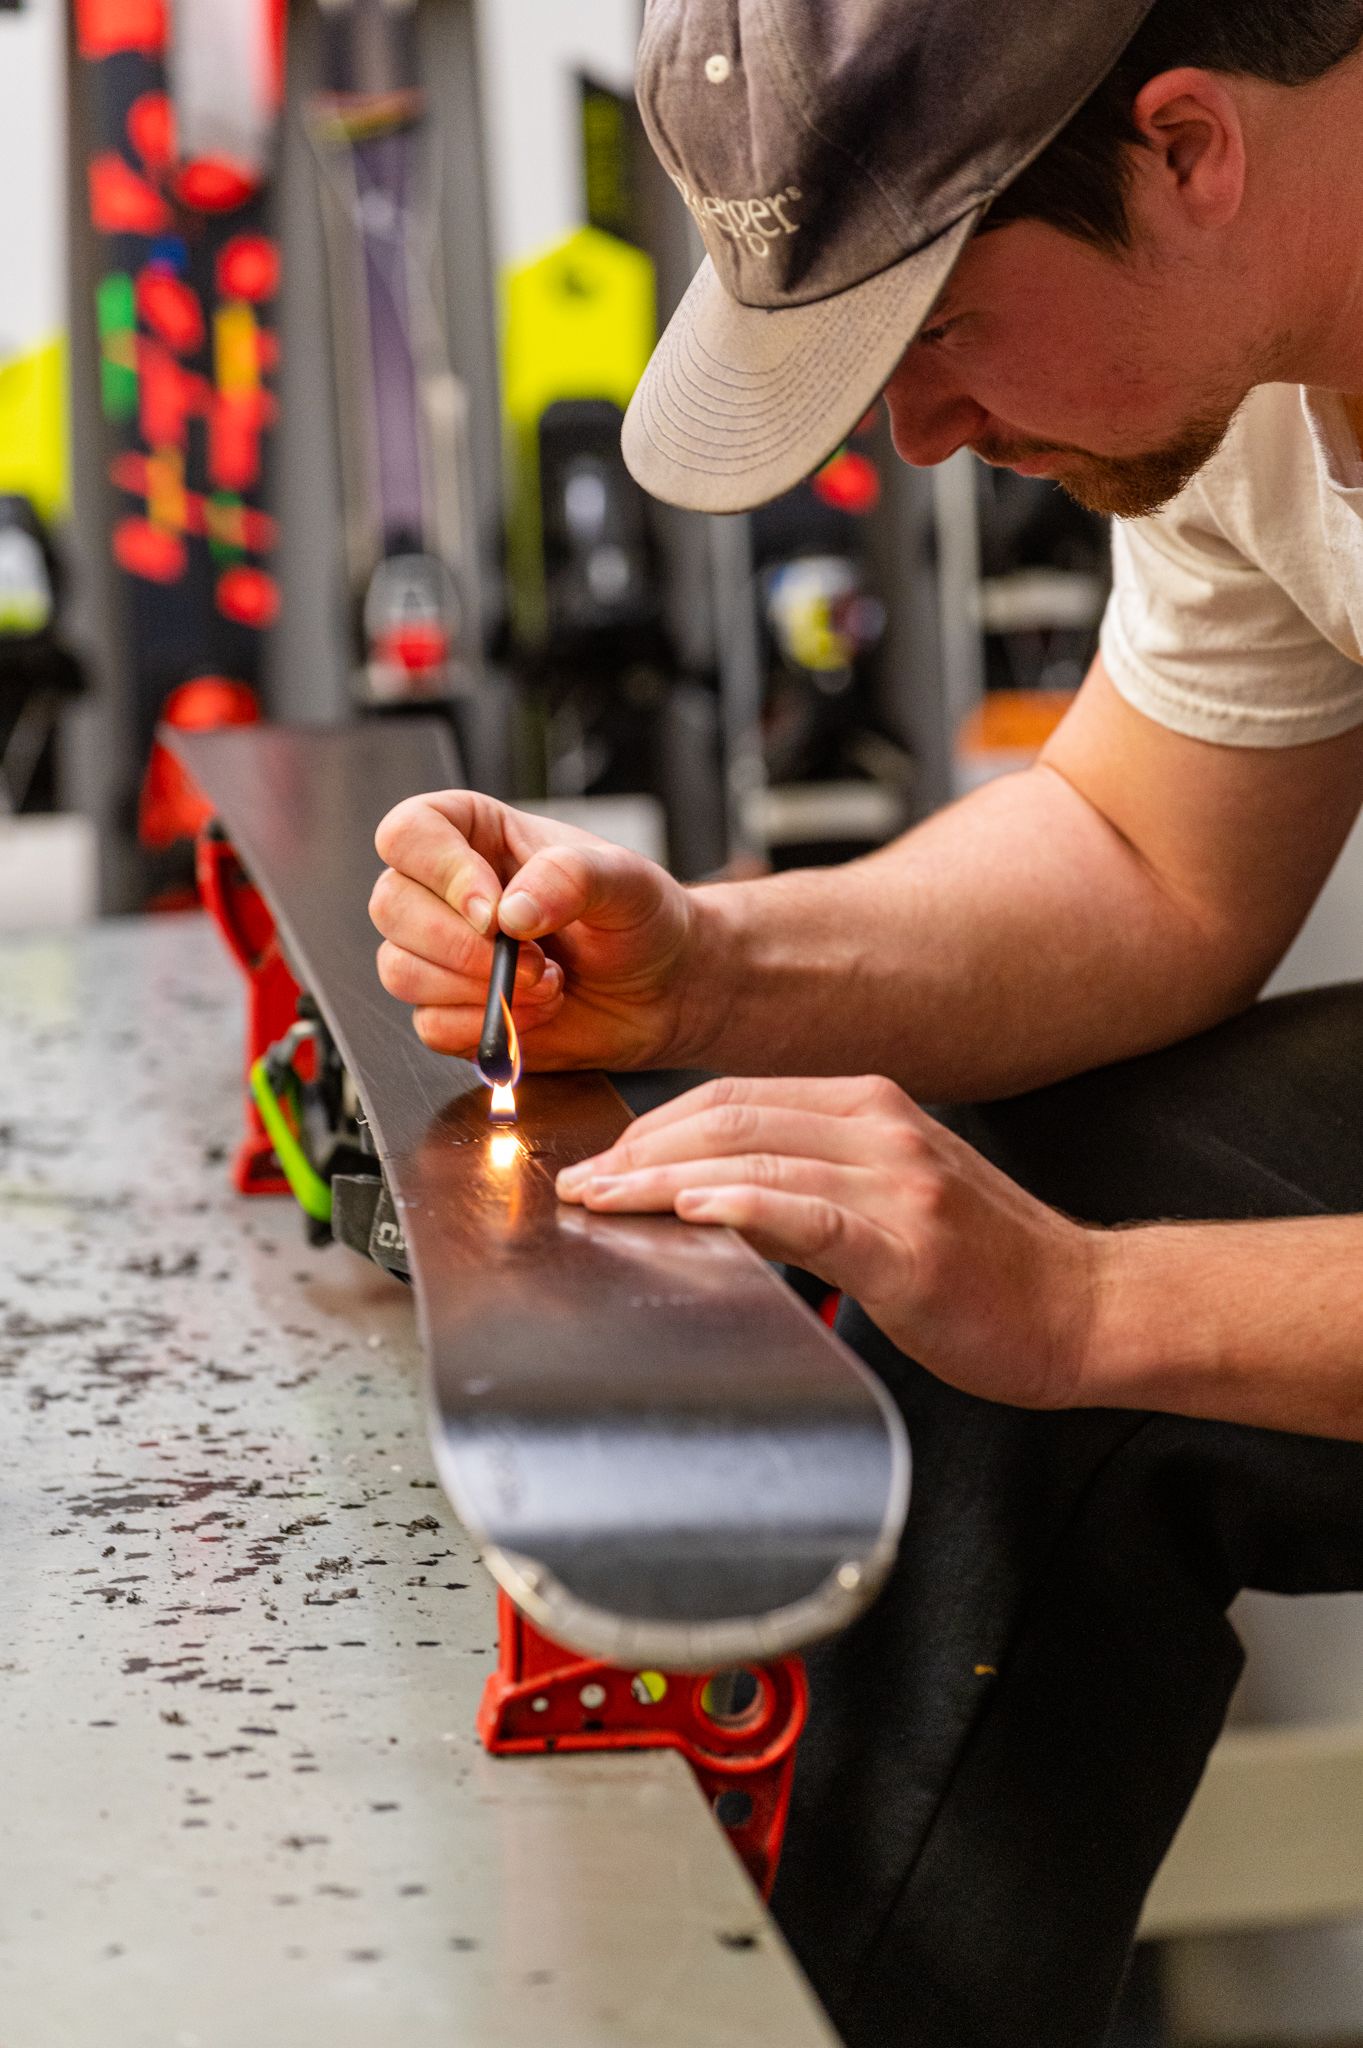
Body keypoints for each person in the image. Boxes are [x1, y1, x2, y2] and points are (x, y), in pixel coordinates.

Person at [369, 2, 1363, 2041]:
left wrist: (1092, 1307)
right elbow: (1146, 856)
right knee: (960, 1247)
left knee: (1058, 1321)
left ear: (1184, 151)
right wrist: (707, 973)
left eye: (931, 331)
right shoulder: (1246, 362)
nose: (908, 437)